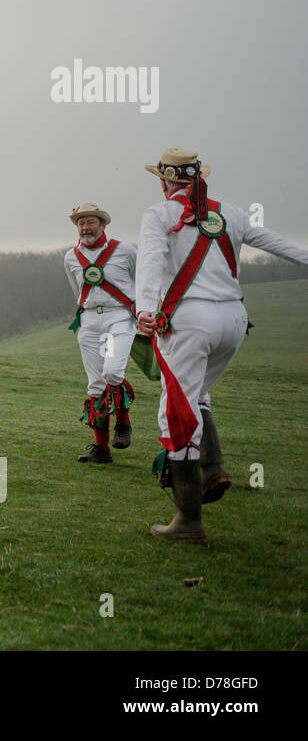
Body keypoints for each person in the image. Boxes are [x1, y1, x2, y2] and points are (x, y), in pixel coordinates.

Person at [137, 149, 308, 541]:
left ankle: (188, 521)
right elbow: (280, 245)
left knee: (174, 413)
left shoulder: (158, 215)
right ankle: (212, 468)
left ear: (164, 182)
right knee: (196, 394)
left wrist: (145, 307)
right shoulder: (230, 212)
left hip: (190, 321)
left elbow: (149, 261)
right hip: (234, 320)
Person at [63, 203, 137, 463]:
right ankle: (102, 450)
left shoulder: (125, 250)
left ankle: (124, 423)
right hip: (89, 320)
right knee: (96, 385)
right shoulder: (70, 257)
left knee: (113, 372)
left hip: (120, 316)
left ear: (103, 224)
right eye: (81, 224)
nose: (86, 228)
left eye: (91, 222)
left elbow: (142, 281)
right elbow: (77, 291)